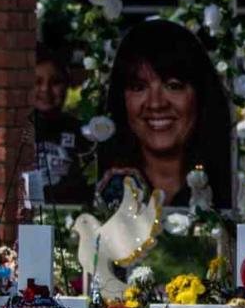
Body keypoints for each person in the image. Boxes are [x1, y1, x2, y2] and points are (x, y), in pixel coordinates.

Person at [97, 19, 232, 211]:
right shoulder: (103, 190)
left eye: (173, 86)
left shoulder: (233, 191)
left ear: (200, 95)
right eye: (139, 87)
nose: (156, 103)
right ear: (121, 100)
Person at [33, 44, 93, 205]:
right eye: (37, 82)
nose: (45, 89)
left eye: (55, 82)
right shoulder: (13, 131)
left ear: (67, 85)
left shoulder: (81, 133)